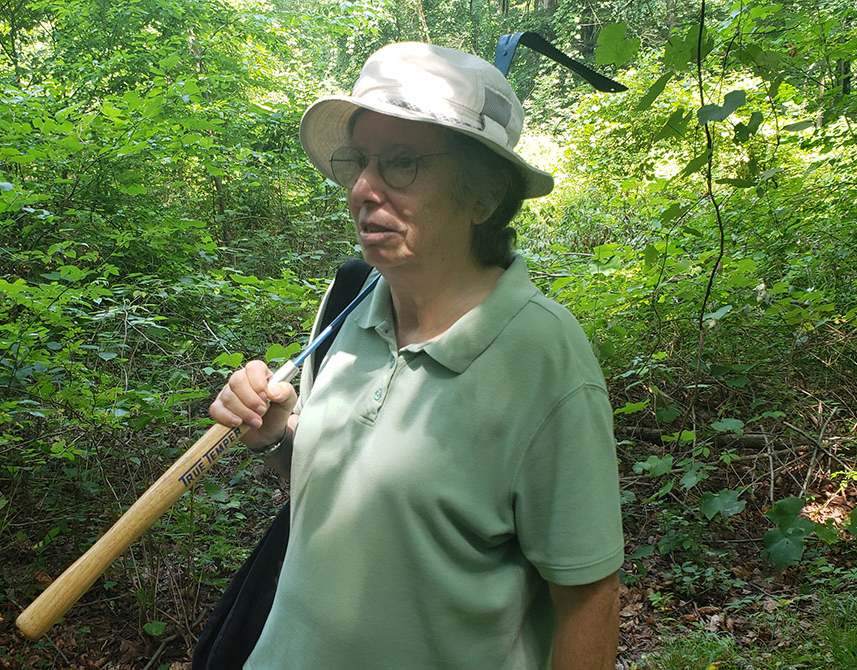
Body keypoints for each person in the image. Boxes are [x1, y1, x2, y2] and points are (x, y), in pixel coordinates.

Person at [208, 42, 624, 670]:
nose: (362, 189)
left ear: (481, 196)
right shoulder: (352, 304)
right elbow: (349, 488)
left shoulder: (543, 358)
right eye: (360, 161)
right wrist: (277, 437)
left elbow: (587, 597)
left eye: (402, 163)